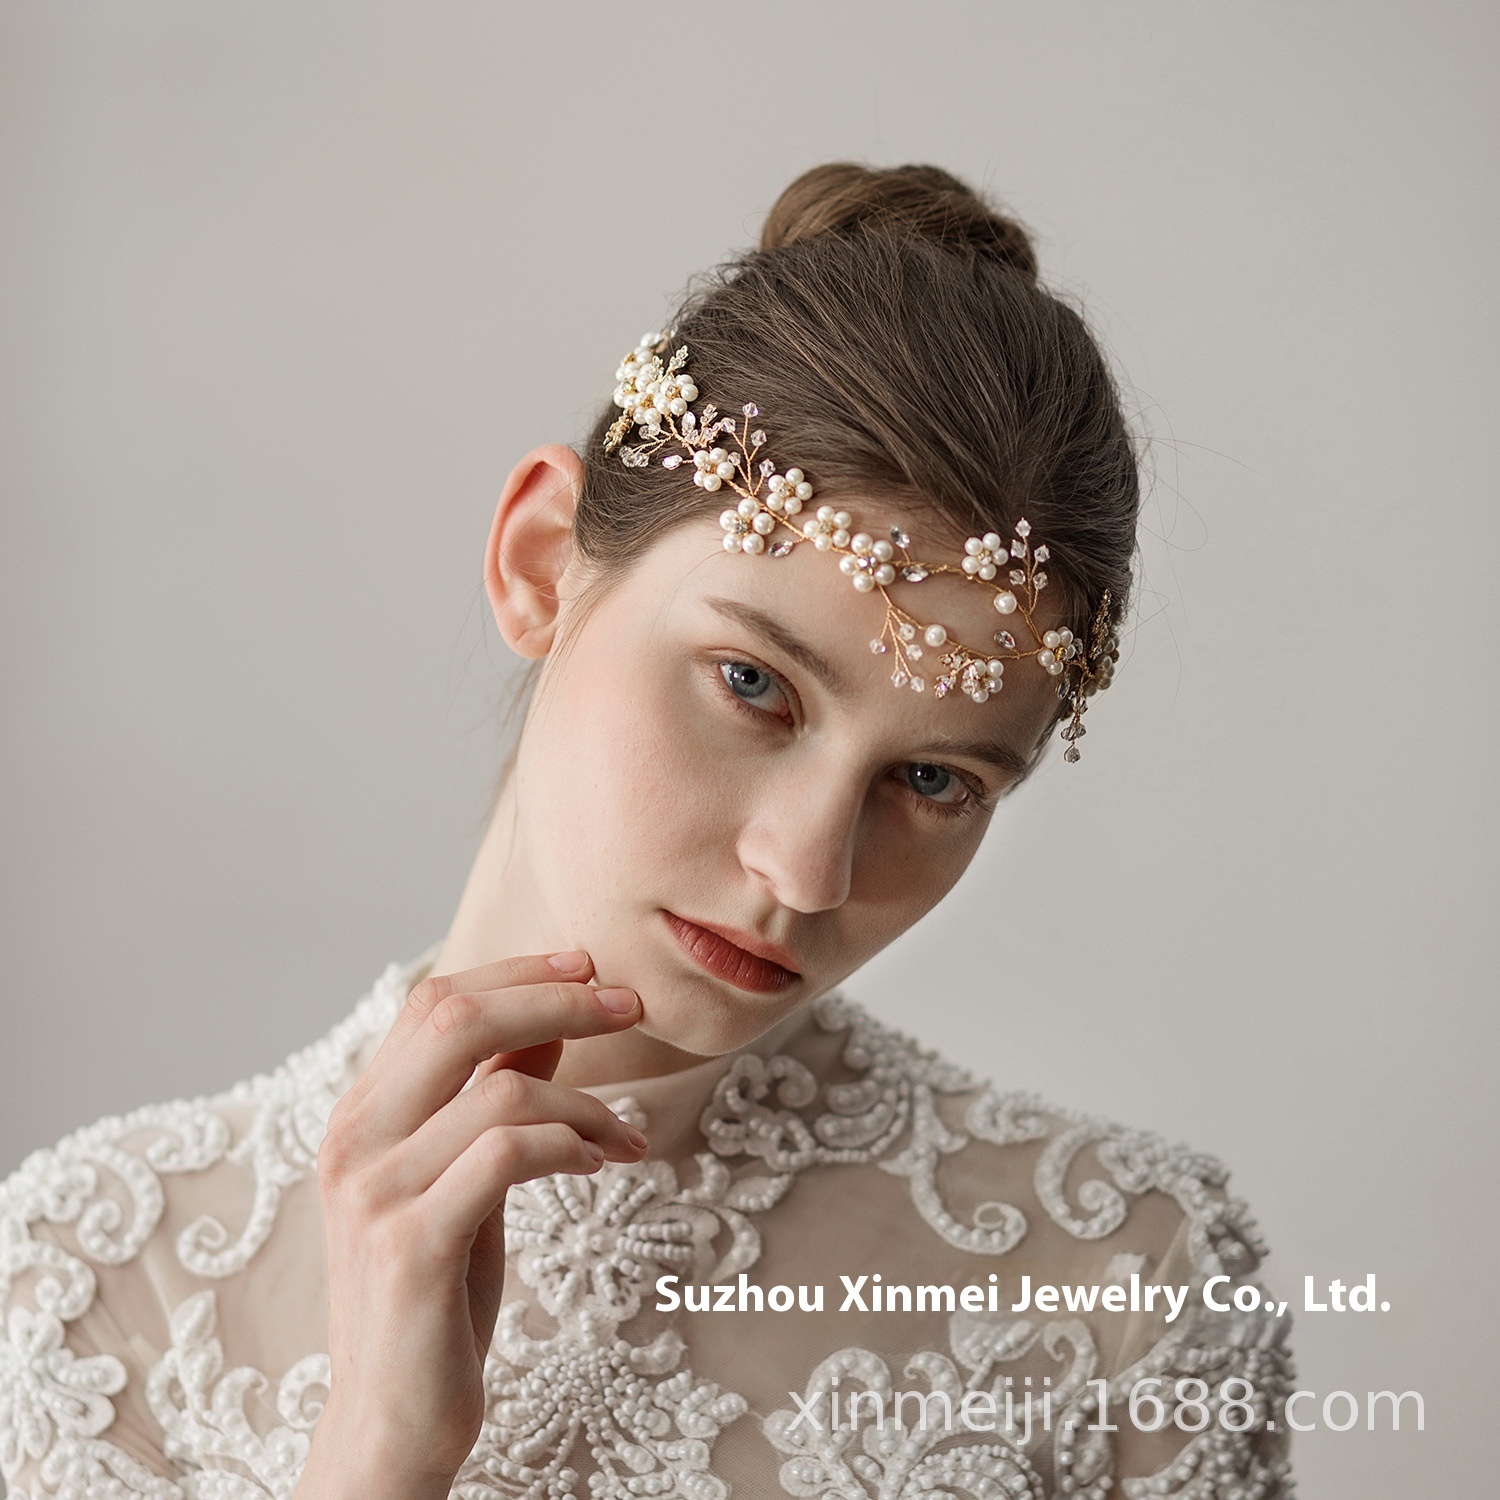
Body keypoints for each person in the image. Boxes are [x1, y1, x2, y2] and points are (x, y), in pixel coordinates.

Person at [0, 163, 1294, 1500]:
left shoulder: (1135, 1285)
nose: (805, 870)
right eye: (753, 684)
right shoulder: (84, 1292)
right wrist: (377, 1458)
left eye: (932, 781)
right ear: (541, 561)